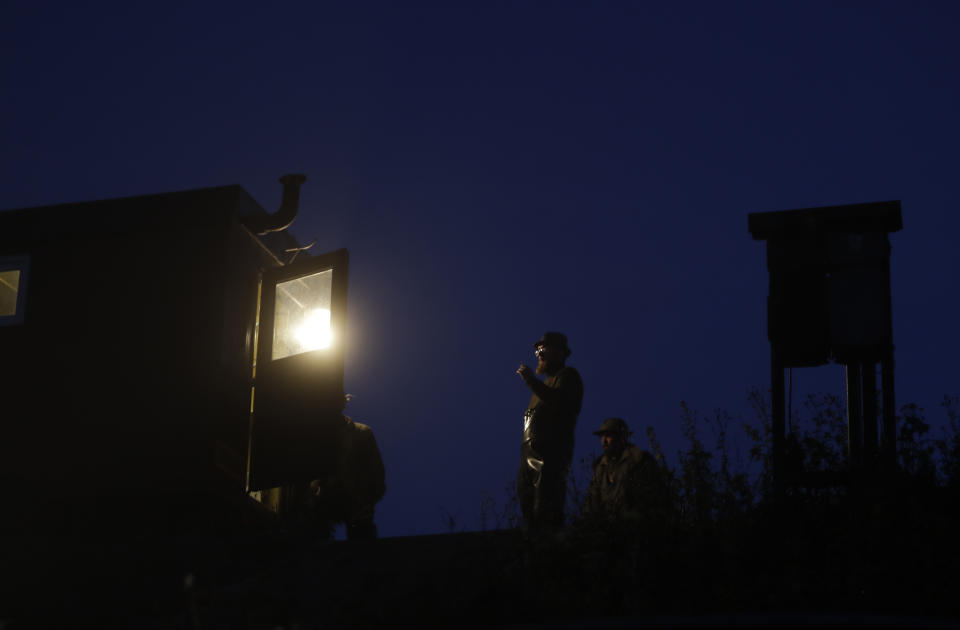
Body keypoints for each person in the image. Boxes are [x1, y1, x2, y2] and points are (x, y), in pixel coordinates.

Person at [516, 332, 584, 533]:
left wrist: (530, 381)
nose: (539, 354)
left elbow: (559, 402)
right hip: (528, 458)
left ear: (560, 353)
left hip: (550, 458)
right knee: (529, 511)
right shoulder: (542, 387)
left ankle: (550, 555)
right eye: (537, 350)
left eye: (543, 349)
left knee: (546, 511)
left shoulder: (568, 377)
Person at [302, 395, 386, 540]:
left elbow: (377, 477)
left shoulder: (362, 433)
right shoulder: (314, 437)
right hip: (321, 514)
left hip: (358, 513)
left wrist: (363, 502)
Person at [583, 417, 668, 528]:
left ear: (621, 438)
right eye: (602, 437)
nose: (604, 441)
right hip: (607, 531)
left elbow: (654, 499)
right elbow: (591, 503)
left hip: (635, 529)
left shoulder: (639, 460)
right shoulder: (600, 468)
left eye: (608, 436)